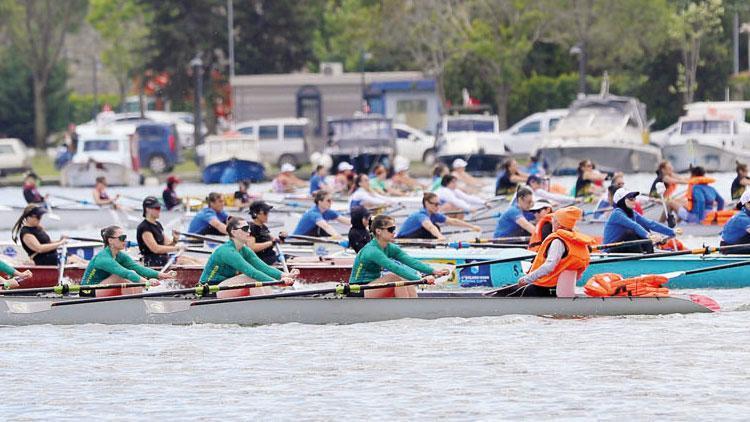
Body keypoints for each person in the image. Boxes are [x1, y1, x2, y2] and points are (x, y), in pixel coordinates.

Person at [492, 206, 593, 297]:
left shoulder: (558, 241)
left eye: (553, 219)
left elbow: (549, 266)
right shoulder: (578, 243)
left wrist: (526, 279)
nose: (551, 221)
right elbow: (578, 274)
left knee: (503, 294)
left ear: (558, 223)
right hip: (557, 289)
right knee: (507, 288)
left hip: (544, 288)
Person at [349, 215, 449, 298]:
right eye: (391, 229)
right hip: (358, 289)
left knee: (404, 278)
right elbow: (395, 267)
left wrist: (434, 271)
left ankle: (415, 308)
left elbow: (411, 261)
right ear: (378, 231)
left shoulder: (390, 247)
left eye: (394, 229)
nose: (394, 233)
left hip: (373, 286)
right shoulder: (372, 250)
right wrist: (421, 280)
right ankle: (407, 311)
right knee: (395, 277)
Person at [199, 217, 296, 298]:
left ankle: (271, 303)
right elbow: (252, 272)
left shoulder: (245, 250)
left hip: (225, 287)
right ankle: (266, 307)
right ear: (234, 232)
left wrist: (284, 275)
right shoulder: (227, 251)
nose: (249, 231)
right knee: (250, 277)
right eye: (245, 229)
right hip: (209, 290)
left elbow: (263, 267)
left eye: (249, 228)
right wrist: (278, 283)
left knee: (257, 281)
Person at [80, 226, 172, 297]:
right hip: (87, 292)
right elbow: (127, 273)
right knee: (121, 276)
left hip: (103, 289)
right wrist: (147, 282)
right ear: (110, 240)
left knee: (131, 280)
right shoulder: (103, 258)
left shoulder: (120, 255)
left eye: (125, 237)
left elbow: (138, 268)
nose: (125, 241)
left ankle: (139, 304)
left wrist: (163, 275)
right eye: (122, 238)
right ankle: (134, 305)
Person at [602, 188, 677, 253]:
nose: (634, 200)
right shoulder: (617, 213)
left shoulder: (632, 213)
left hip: (622, 246)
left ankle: (650, 254)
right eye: (631, 198)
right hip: (610, 249)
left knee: (645, 227)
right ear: (621, 201)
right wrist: (650, 236)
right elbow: (634, 226)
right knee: (630, 233)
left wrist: (672, 231)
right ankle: (642, 259)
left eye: (634, 198)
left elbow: (650, 223)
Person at [137, 197, 201, 267]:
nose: (159, 211)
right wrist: (178, 248)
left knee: (194, 260)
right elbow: (156, 249)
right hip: (152, 262)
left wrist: (175, 240)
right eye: (157, 208)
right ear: (148, 209)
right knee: (185, 261)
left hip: (163, 259)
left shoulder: (158, 225)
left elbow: (169, 245)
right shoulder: (144, 228)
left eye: (159, 208)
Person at [11, 205, 85, 266]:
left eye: (40, 217)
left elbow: (48, 242)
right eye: (38, 217)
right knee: (73, 261)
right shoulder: (26, 233)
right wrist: (60, 243)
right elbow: (39, 248)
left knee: (79, 259)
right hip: (42, 259)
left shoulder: (38, 227)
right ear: (29, 217)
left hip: (52, 255)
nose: (40, 219)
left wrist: (59, 240)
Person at [397, 192, 481, 240]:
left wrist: (472, 226)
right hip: (403, 239)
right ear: (426, 203)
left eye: (439, 204)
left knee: (436, 227)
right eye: (436, 204)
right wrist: (440, 236)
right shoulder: (421, 215)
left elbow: (452, 221)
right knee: (434, 227)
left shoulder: (434, 215)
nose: (438, 207)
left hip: (415, 238)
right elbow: (430, 227)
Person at [247, 201, 287, 265]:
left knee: (293, 258)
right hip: (261, 260)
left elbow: (275, 241)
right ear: (257, 214)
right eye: (265, 213)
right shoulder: (251, 228)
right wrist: (271, 243)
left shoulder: (263, 227)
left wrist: (281, 237)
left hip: (270, 257)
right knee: (292, 259)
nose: (267, 215)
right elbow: (252, 247)